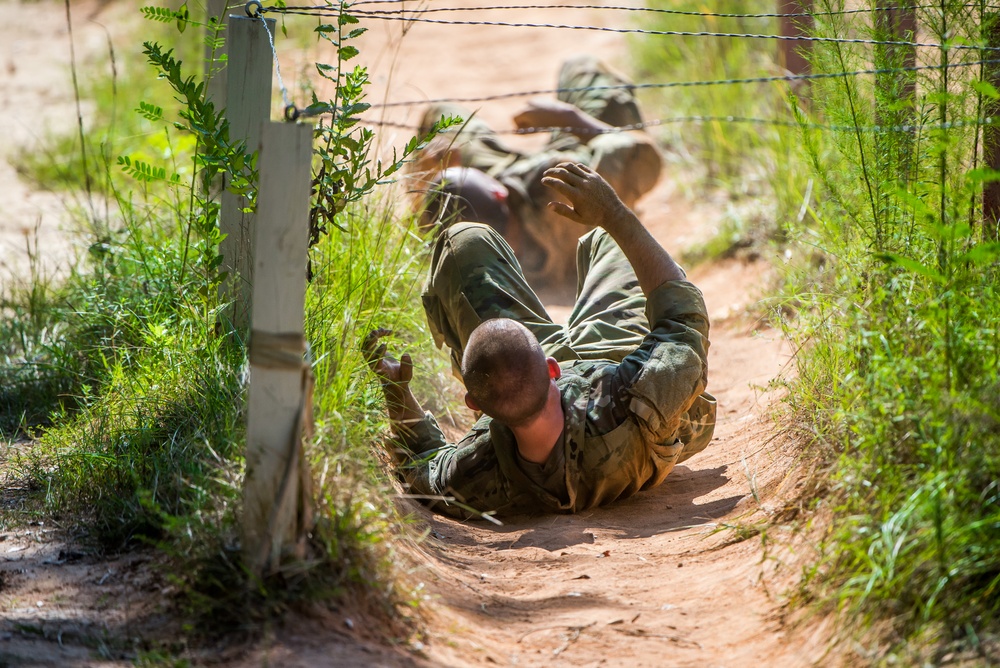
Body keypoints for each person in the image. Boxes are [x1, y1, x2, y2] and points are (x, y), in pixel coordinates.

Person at [365, 161, 717, 519]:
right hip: (626, 377)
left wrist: (397, 392)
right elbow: (683, 319)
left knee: (462, 242)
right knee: (614, 239)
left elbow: (425, 464)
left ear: (475, 404)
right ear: (552, 368)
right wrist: (613, 213)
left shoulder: (479, 472)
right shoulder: (637, 401)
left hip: (543, 398)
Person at [412, 55, 663, 299]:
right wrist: (567, 118)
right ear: (499, 192)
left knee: (442, 120)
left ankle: (444, 173)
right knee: (583, 68)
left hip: (515, 193)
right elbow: (643, 156)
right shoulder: (566, 195)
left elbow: (422, 243)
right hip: (546, 179)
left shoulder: (460, 261)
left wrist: (427, 182)